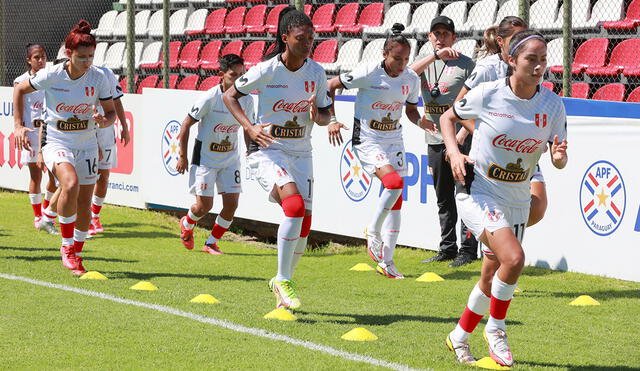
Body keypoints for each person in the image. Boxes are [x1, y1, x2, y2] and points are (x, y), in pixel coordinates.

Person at [440, 30, 568, 366]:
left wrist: (557, 157)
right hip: (478, 190)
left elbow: (559, 158)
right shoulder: (488, 93)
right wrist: (454, 152)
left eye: (543, 59)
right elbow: (447, 117)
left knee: (489, 277)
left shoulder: (553, 105)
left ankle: (458, 336)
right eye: (531, 59)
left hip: (516, 198)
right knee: (514, 259)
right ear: (511, 60)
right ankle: (496, 329)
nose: (539, 65)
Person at [223, 8, 332, 310]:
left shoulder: (316, 73)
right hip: (268, 149)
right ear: (285, 38)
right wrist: (249, 127)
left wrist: (320, 117)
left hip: (302, 152)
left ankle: (283, 288)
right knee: (294, 207)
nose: (308, 43)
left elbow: (324, 114)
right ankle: (282, 278)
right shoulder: (267, 70)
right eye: (301, 38)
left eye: (311, 38)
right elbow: (230, 96)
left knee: (305, 224)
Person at [13, 20, 116, 275]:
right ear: (69, 54)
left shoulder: (99, 77)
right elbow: (19, 89)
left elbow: (111, 111)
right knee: (69, 184)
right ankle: (67, 246)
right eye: (82, 57)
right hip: (56, 141)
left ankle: (78, 253)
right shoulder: (52, 75)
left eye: (91, 56)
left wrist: (106, 120)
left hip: (88, 145)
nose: (87, 61)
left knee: (84, 201)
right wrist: (18, 125)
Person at [326, 23, 426, 279]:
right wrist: (332, 119)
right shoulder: (369, 72)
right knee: (392, 183)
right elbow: (331, 85)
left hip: (394, 138)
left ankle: (387, 262)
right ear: (384, 54)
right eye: (397, 58)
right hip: (368, 138)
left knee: (397, 199)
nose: (402, 64)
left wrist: (422, 122)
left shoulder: (411, 79)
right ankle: (373, 231)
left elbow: (411, 110)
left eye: (405, 59)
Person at [455, 17, 547, 228]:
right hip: (493, 150)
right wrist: (481, 131)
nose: (522, 42)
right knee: (491, 212)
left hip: (522, 149)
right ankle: (490, 248)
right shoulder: (488, 68)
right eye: (516, 38)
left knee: (538, 208)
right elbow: (458, 105)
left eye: (525, 37)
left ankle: (498, 247)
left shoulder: (533, 64)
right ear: (500, 41)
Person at [409, 16, 478, 267]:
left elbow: (477, 105)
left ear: (454, 37)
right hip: (435, 138)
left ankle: (468, 250)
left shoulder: (467, 65)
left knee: (466, 194)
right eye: (435, 33)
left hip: (461, 138)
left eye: (445, 34)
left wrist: (463, 136)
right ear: (429, 37)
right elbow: (406, 74)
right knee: (443, 196)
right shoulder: (427, 63)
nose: (440, 38)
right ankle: (447, 247)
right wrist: (434, 57)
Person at [176, 54, 254, 255]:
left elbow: (248, 128)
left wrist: (251, 151)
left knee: (232, 205)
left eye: (242, 75)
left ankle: (211, 243)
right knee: (204, 207)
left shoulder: (247, 100)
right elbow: (186, 124)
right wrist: (182, 156)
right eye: (233, 75)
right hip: (205, 160)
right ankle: (187, 222)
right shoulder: (210, 98)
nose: (239, 80)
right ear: (221, 75)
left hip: (230, 160)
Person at [13, 43, 57, 232]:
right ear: (28, 60)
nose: (41, 61)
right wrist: (19, 127)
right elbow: (18, 107)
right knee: (35, 175)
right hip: (31, 134)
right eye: (36, 57)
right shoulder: (21, 81)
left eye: (43, 57)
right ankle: (38, 215)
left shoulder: (51, 77)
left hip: (50, 133)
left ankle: (47, 212)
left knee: (55, 177)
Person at [88, 65, 130, 235]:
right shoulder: (77, 74)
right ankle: (84, 217)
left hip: (105, 130)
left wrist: (124, 127)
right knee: (88, 175)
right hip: (84, 128)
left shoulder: (106, 73)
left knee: (104, 176)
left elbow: (117, 101)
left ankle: (95, 215)